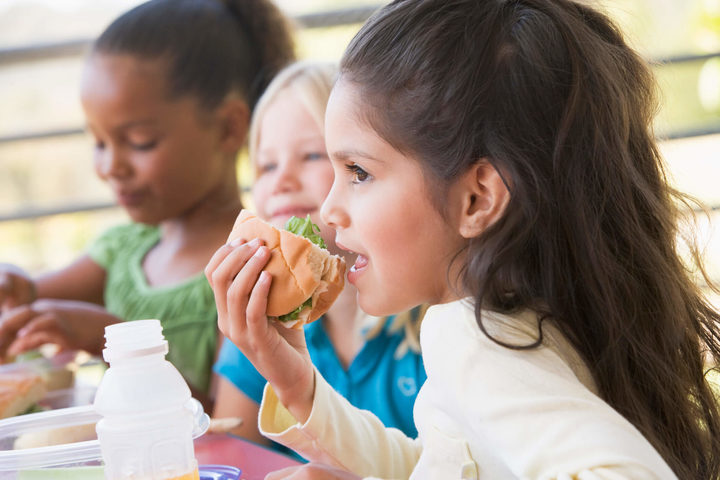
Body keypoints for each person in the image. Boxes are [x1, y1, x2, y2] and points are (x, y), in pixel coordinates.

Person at [205, 0, 720, 478]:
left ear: (476, 199)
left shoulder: (470, 337)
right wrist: (297, 383)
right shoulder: (516, 319)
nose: (330, 208)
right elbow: (441, 463)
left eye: (358, 171)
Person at [0, 0, 295, 410]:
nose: (109, 166)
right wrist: (12, 286)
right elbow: (25, 302)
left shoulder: (251, 269)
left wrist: (113, 338)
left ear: (228, 128)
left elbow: (226, 425)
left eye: (139, 142)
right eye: (100, 142)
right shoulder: (120, 251)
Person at [212, 61, 427, 448]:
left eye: (311, 156)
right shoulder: (260, 312)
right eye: (266, 165)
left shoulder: (436, 319)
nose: (280, 182)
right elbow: (231, 453)